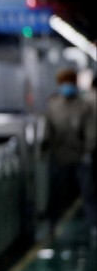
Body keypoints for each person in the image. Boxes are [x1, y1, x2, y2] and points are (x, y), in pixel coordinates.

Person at [41, 67, 96, 231]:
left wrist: (88, 151)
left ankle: (93, 225)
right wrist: (44, 148)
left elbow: (91, 131)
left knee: (88, 193)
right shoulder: (53, 105)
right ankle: (53, 225)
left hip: (79, 156)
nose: (67, 86)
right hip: (59, 156)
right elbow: (47, 129)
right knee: (56, 193)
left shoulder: (83, 106)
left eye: (69, 83)